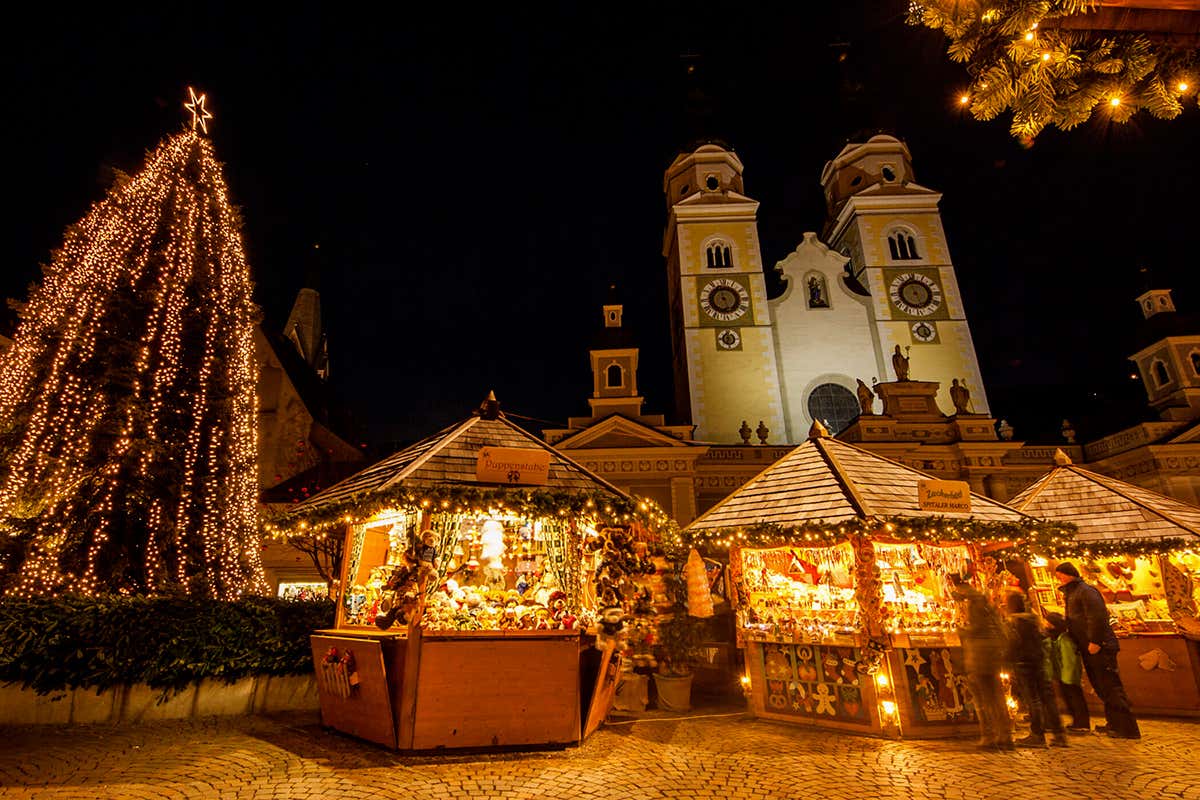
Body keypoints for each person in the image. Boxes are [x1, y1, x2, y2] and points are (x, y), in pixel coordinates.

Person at [1055, 562, 1141, 739]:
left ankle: (1127, 727)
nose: (1059, 579)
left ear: (1068, 574)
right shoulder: (1072, 593)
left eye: (1060, 575)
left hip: (1099, 647)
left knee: (1110, 686)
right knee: (1102, 687)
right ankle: (1114, 723)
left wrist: (1095, 641)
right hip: (1088, 646)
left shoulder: (1086, 591)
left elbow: (1097, 616)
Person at [950, 574, 1013, 750]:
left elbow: (976, 629)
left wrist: (962, 631)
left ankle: (989, 735)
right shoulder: (988, 606)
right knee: (996, 696)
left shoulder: (975, 606)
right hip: (993, 655)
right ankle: (1005, 734)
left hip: (980, 655)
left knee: (983, 697)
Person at [1004, 592, 1067, 747]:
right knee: (1047, 697)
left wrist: (1007, 659)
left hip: (1023, 663)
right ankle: (1059, 734)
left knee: (1033, 699)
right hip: (1039, 661)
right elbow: (1042, 636)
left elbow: (1012, 643)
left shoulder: (1013, 622)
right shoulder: (1034, 619)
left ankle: (1037, 734)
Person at [1045, 612, 1090, 732]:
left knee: (1075, 698)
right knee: (1068, 698)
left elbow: (1069, 660)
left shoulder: (1064, 639)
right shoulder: (1054, 637)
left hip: (1068, 676)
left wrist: (1068, 677)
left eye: (1047, 622)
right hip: (1062, 675)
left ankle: (1082, 723)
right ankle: (1077, 721)